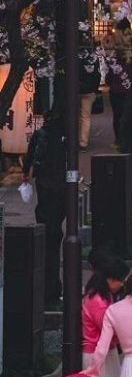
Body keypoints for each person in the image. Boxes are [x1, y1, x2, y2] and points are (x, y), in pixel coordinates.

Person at [21, 109, 66, 307]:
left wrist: (26, 173)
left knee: (46, 218)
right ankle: (54, 287)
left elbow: (31, 153)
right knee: (55, 229)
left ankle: (49, 288)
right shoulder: (64, 135)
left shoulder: (41, 134)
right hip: (61, 183)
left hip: (45, 182)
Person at [81, 254, 129, 377]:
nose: (122, 284)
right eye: (120, 280)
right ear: (110, 279)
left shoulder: (100, 295)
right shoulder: (99, 302)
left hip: (105, 353)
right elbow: (110, 330)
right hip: (99, 356)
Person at [79, 37, 101, 150]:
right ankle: (83, 142)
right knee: (85, 117)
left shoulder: (75, 56)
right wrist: (95, 89)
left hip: (75, 89)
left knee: (74, 116)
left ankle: (74, 139)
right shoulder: (93, 58)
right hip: (89, 90)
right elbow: (97, 75)